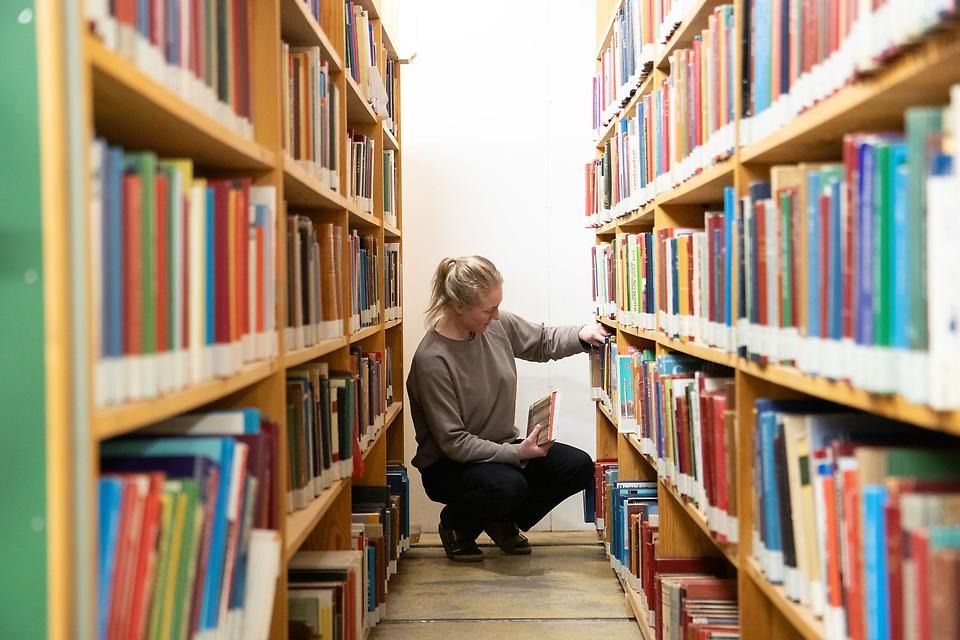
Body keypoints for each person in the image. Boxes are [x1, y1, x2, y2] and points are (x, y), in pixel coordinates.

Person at [406, 256, 610, 562]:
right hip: (450, 464)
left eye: (498, 306)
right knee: (509, 486)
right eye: (489, 309)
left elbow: (541, 341)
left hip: (499, 448)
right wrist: (517, 454)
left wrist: (582, 334)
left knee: (577, 467)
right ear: (458, 306)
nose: (497, 315)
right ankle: (456, 524)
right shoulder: (432, 360)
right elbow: (455, 443)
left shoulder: (494, 325)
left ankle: (500, 521)